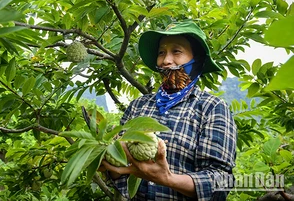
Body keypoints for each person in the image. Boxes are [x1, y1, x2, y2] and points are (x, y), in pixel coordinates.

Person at [102, 20, 237, 201]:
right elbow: (122, 173)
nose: (166, 60)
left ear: (196, 60)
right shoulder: (138, 106)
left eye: (176, 51)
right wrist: (112, 165)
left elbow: (221, 182)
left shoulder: (211, 108)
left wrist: (168, 179)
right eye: (161, 52)